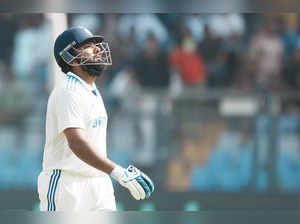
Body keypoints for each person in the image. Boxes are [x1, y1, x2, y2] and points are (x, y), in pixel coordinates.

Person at [37, 26, 154, 211]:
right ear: (70, 57)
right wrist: (118, 172)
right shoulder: (68, 91)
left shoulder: (91, 89)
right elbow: (76, 142)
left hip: (98, 182)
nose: (97, 49)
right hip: (67, 183)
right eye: (88, 46)